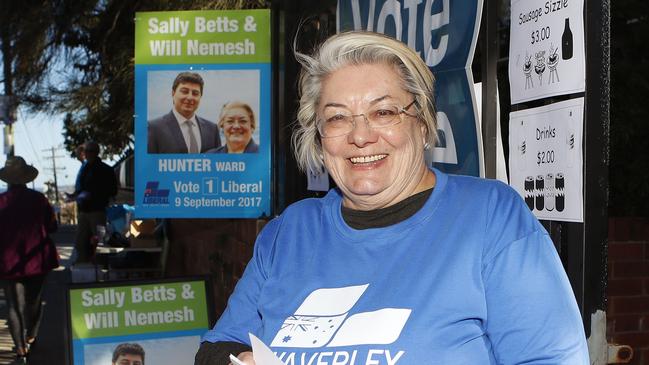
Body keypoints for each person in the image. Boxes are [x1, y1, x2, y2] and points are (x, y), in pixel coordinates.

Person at [195, 31, 589, 364]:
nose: (360, 135)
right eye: (336, 117)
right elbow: (218, 346)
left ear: (423, 124)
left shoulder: (489, 218)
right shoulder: (288, 233)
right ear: (318, 138)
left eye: (384, 113)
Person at [0, 156, 59, 363]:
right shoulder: (39, 199)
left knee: (14, 306)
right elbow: (52, 227)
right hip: (37, 260)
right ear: (25, 177)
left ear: (7, 179)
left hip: (7, 263)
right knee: (34, 302)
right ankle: (31, 334)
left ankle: (20, 349)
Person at [147, 72, 221, 154]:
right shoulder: (153, 128)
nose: (190, 97)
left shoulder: (212, 129)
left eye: (195, 93)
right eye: (185, 91)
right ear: (173, 93)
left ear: (200, 97)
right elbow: (149, 164)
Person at [74, 141, 118, 264]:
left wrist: (94, 195)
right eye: (86, 151)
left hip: (97, 211)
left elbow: (112, 190)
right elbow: (80, 187)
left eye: (89, 151)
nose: (86, 154)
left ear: (95, 153)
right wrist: (77, 195)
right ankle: (82, 267)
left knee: (100, 243)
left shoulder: (105, 170)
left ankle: (101, 267)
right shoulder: (85, 168)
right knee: (81, 242)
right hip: (84, 211)